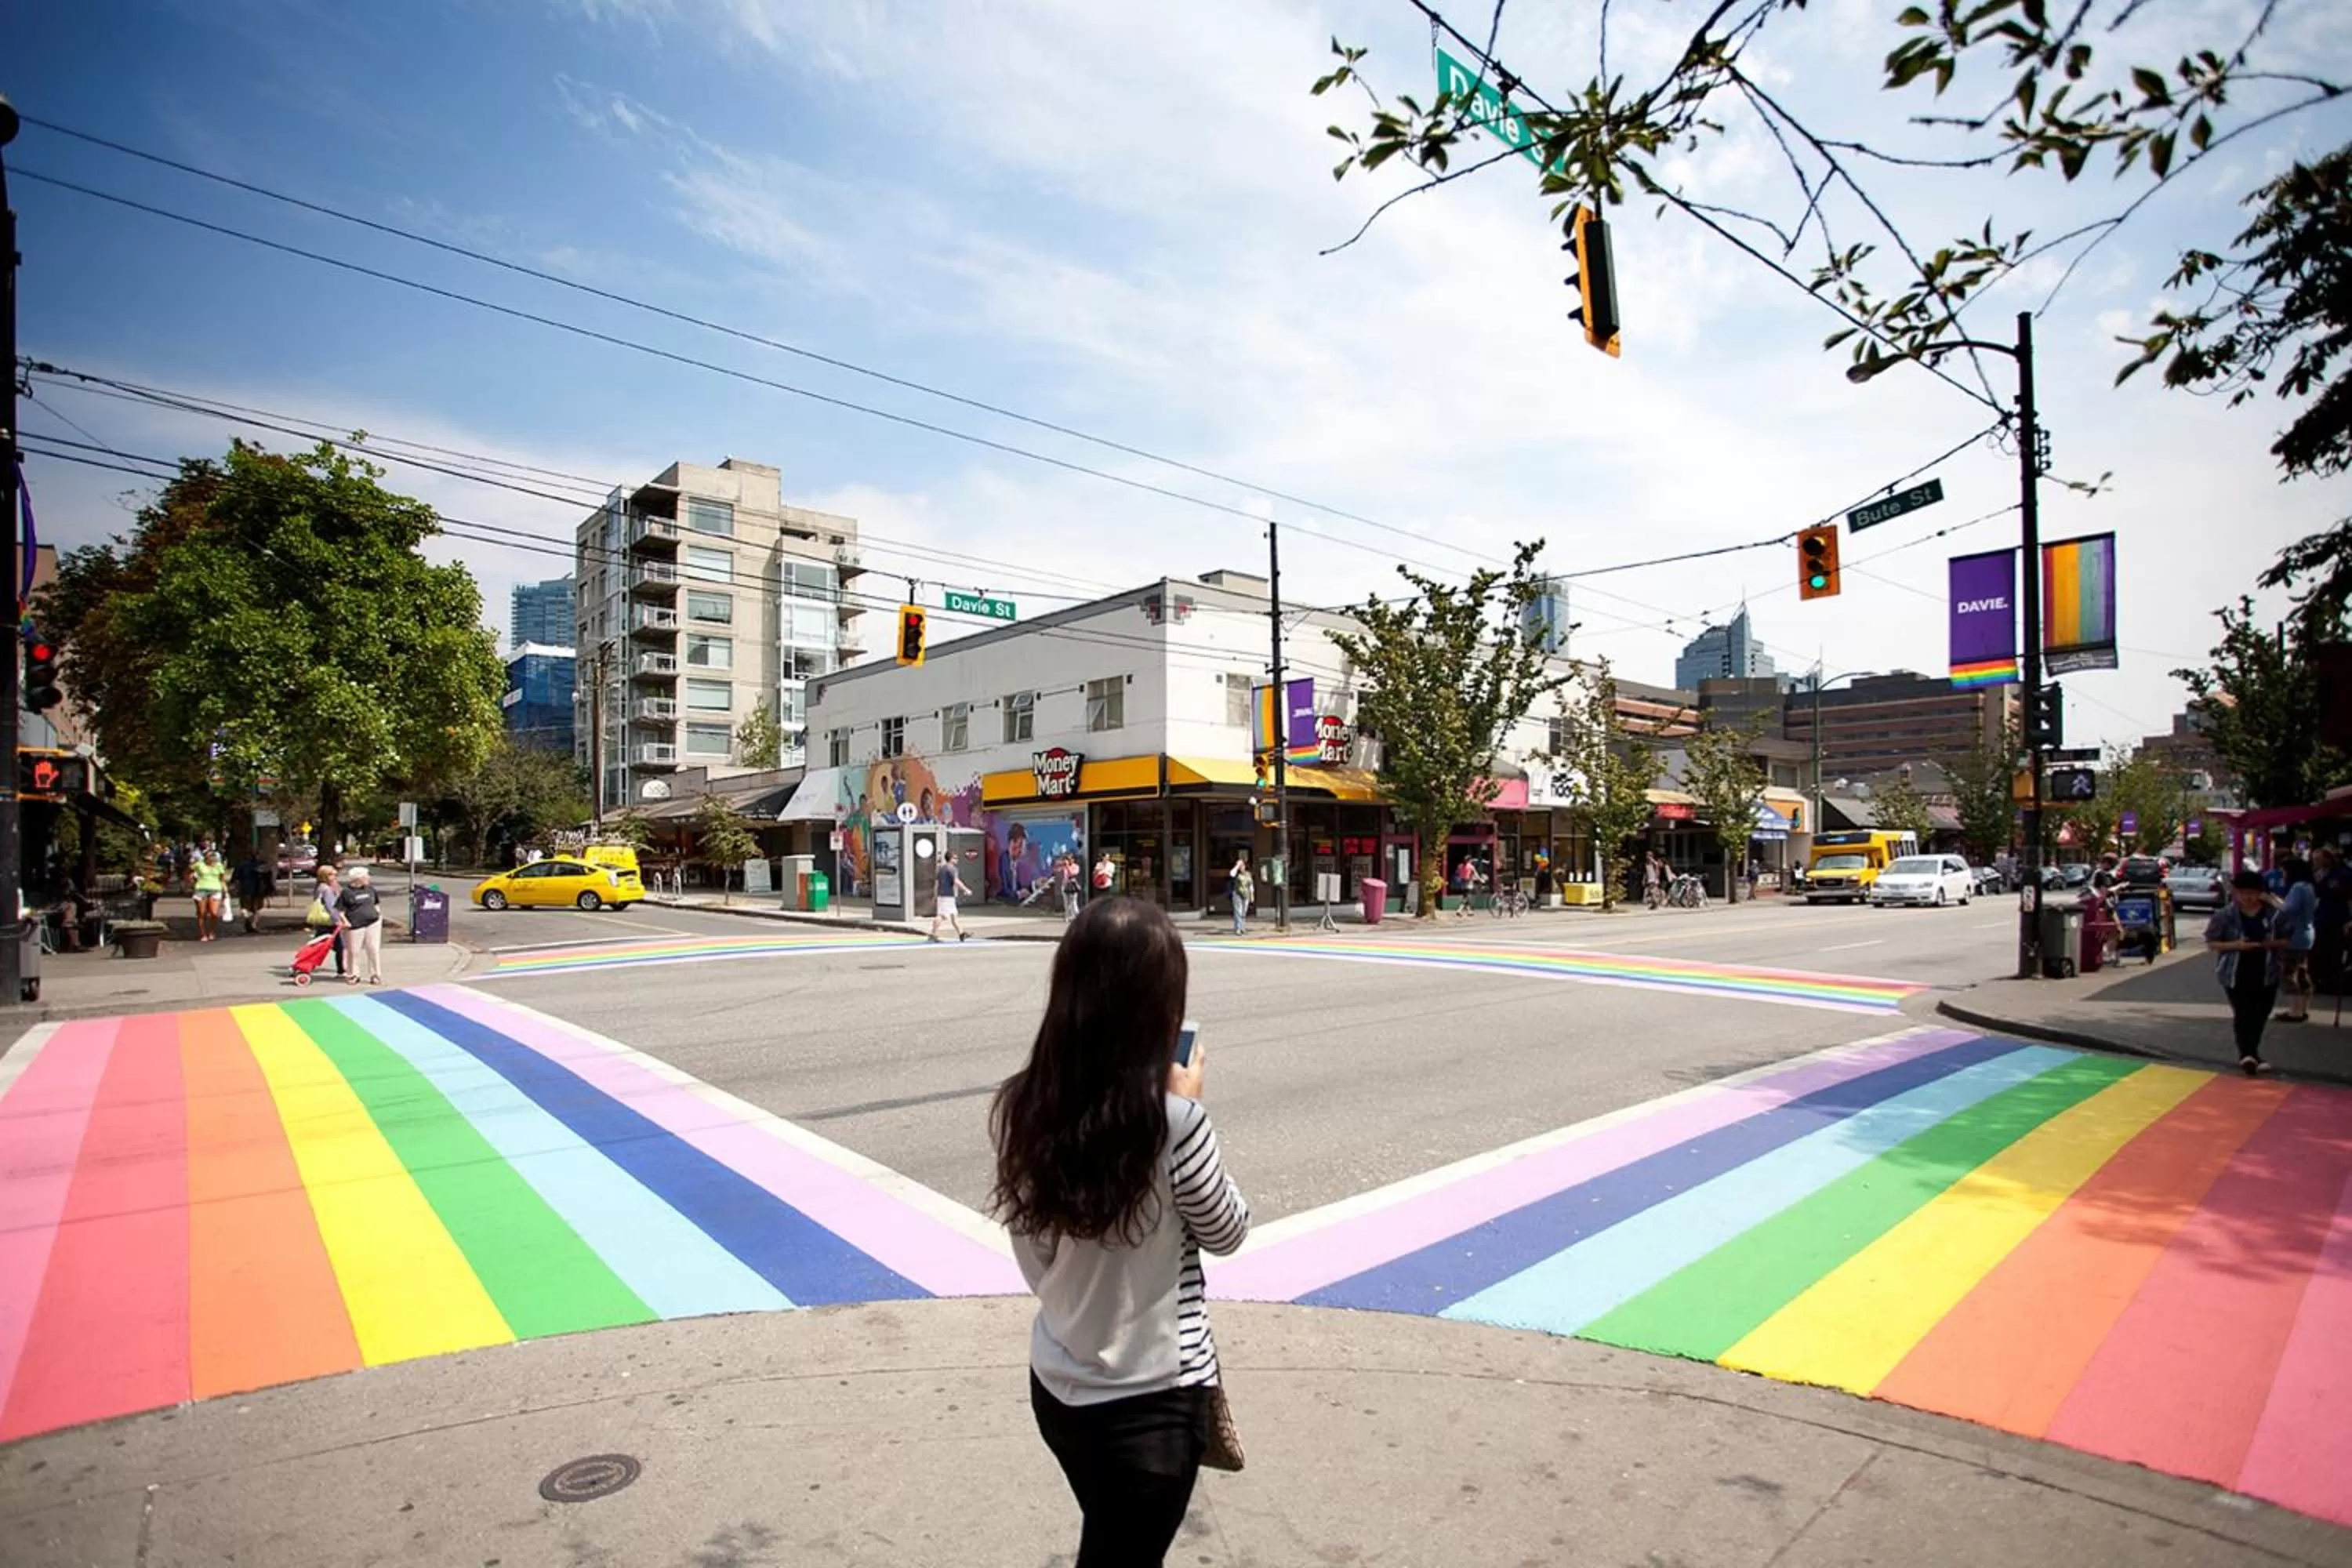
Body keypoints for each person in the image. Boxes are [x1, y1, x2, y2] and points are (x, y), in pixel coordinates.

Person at [990, 898, 1250, 1568]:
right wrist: (1186, 1108)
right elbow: (1227, 1231)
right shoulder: (1174, 1122)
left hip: (1058, 1385)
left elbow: (1035, 1260)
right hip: (1154, 1402)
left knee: (1108, 1540)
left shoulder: (1025, 1105)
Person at [2207, 869, 2287, 1076]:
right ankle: (2248, 1055)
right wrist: (2236, 945)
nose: (2248, 898)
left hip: (2267, 970)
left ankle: (2253, 1052)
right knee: (2243, 1013)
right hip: (2235, 971)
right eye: (2243, 893)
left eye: (2252, 894)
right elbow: (2212, 943)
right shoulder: (2225, 915)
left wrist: (2272, 943)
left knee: (2260, 1014)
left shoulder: (2274, 914)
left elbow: (2288, 938)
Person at [2277, 858, 2319, 1023]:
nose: (2283, 875)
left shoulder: (2297, 888)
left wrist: (2273, 901)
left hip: (2294, 935)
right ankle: (2304, 1008)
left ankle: (2295, 1011)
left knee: (2287, 973)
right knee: (2302, 971)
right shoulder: (2309, 886)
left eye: (2285, 871)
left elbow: (2289, 909)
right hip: (2307, 933)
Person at [2311, 847, 2352, 1003]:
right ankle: (2319, 979)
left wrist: (2337, 888)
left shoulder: (2342, 874)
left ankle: (2332, 981)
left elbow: (2346, 893)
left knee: (2334, 951)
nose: (2317, 863)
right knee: (2318, 950)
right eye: (2315, 860)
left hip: (2336, 918)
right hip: (2320, 917)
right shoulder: (2317, 875)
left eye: (2319, 859)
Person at [336, 865, 385, 985]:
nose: (368, 878)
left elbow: (376, 904)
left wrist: (378, 915)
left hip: (373, 922)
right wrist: (345, 921)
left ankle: (376, 974)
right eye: (366, 876)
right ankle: (353, 974)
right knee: (353, 951)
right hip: (355, 924)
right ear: (358, 878)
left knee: (373, 949)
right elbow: (340, 910)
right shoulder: (346, 892)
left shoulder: (370, 889)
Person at [309, 865, 347, 978]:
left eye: (335, 874)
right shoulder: (327, 889)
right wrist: (338, 920)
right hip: (329, 922)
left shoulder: (321, 887)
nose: (334, 877)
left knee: (318, 945)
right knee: (337, 947)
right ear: (324, 876)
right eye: (331, 875)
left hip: (323, 922)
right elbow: (331, 907)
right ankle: (341, 970)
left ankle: (305, 965)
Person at [931, 851, 972, 943]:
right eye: (955, 858)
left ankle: (961, 934)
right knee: (941, 916)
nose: (957, 860)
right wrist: (966, 890)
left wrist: (935, 895)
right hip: (947, 896)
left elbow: (936, 884)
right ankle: (933, 934)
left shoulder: (941, 869)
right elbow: (956, 881)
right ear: (950, 859)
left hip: (943, 896)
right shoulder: (952, 869)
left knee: (954, 915)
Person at [191, 848, 227, 942]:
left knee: (214, 913)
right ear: (206, 858)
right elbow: (189, 872)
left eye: (213, 857)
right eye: (210, 857)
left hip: (215, 889)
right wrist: (191, 883)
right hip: (201, 889)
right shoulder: (199, 865)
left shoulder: (219, 866)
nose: (212, 859)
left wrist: (225, 890)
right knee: (202, 913)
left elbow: (222, 879)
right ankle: (203, 934)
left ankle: (212, 932)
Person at [232, 851, 271, 935]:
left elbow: (236, 878)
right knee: (257, 909)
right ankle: (253, 924)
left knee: (244, 907)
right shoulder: (262, 865)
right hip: (258, 890)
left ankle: (247, 919)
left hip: (245, 889)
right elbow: (267, 878)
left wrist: (236, 888)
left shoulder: (242, 865)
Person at [1228, 854, 1254, 936]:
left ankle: (1242, 928)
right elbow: (1231, 874)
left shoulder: (1248, 874)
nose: (1242, 867)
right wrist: (1237, 866)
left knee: (1244, 912)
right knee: (1238, 911)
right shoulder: (1236, 874)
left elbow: (1251, 885)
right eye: (1240, 866)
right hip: (1237, 894)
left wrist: (1252, 895)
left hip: (1246, 894)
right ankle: (1238, 929)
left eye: (1243, 865)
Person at [1056, 851, 1082, 923]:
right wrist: (1060, 864)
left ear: (1073, 860)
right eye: (1067, 859)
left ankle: (1076, 916)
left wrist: (1067, 867)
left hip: (1073, 886)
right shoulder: (1064, 866)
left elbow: (1072, 874)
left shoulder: (1076, 867)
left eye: (1070, 859)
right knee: (1066, 902)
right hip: (1065, 885)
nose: (1068, 861)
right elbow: (1057, 870)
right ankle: (1067, 916)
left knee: (1073, 901)